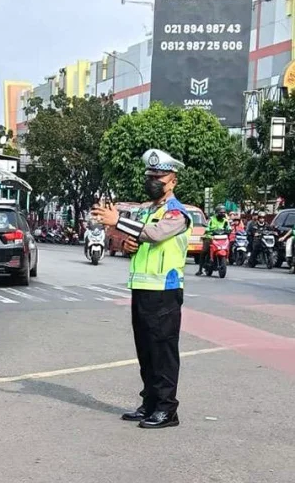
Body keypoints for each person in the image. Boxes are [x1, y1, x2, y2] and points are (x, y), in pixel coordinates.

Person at [92, 149, 191, 429]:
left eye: (159, 176)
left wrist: (118, 222)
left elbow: (156, 234)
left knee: (163, 350)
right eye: (150, 175)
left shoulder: (177, 212)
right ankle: (149, 403)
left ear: (172, 180)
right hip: (142, 287)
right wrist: (126, 244)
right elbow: (138, 239)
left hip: (165, 289)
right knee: (146, 350)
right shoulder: (148, 210)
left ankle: (166, 409)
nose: (153, 180)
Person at [196, 205, 231, 276]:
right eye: (221, 212)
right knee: (204, 251)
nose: (222, 214)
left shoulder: (225, 220)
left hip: (221, 238)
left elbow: (229, 227)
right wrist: (209, 230)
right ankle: (200, 270)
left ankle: (227, 258)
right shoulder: (211, 219)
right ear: (217, 212)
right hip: (210, 237)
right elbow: (207, 227)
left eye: (224, 212)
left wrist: (229, 230)